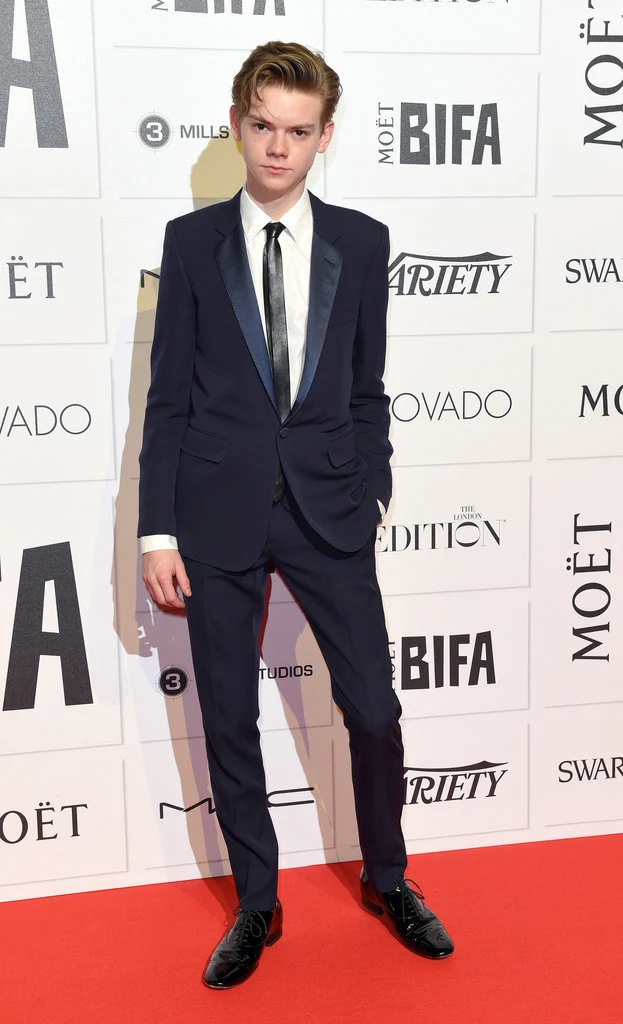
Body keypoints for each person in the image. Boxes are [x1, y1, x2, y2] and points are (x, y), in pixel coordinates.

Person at [138, 40, 454, 990]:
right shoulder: (191, 244)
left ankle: (388, 877)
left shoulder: (362, 241)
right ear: (238, 125)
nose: (279, 147)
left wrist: (375, 487)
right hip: (214, 515)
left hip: (328, 511)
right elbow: (166, 400)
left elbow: (366, 388)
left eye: (299, 130)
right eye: (264, 126)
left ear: (326, 136)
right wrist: (156, 530)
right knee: (229, 716)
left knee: (374, 708)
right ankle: (256, 903)